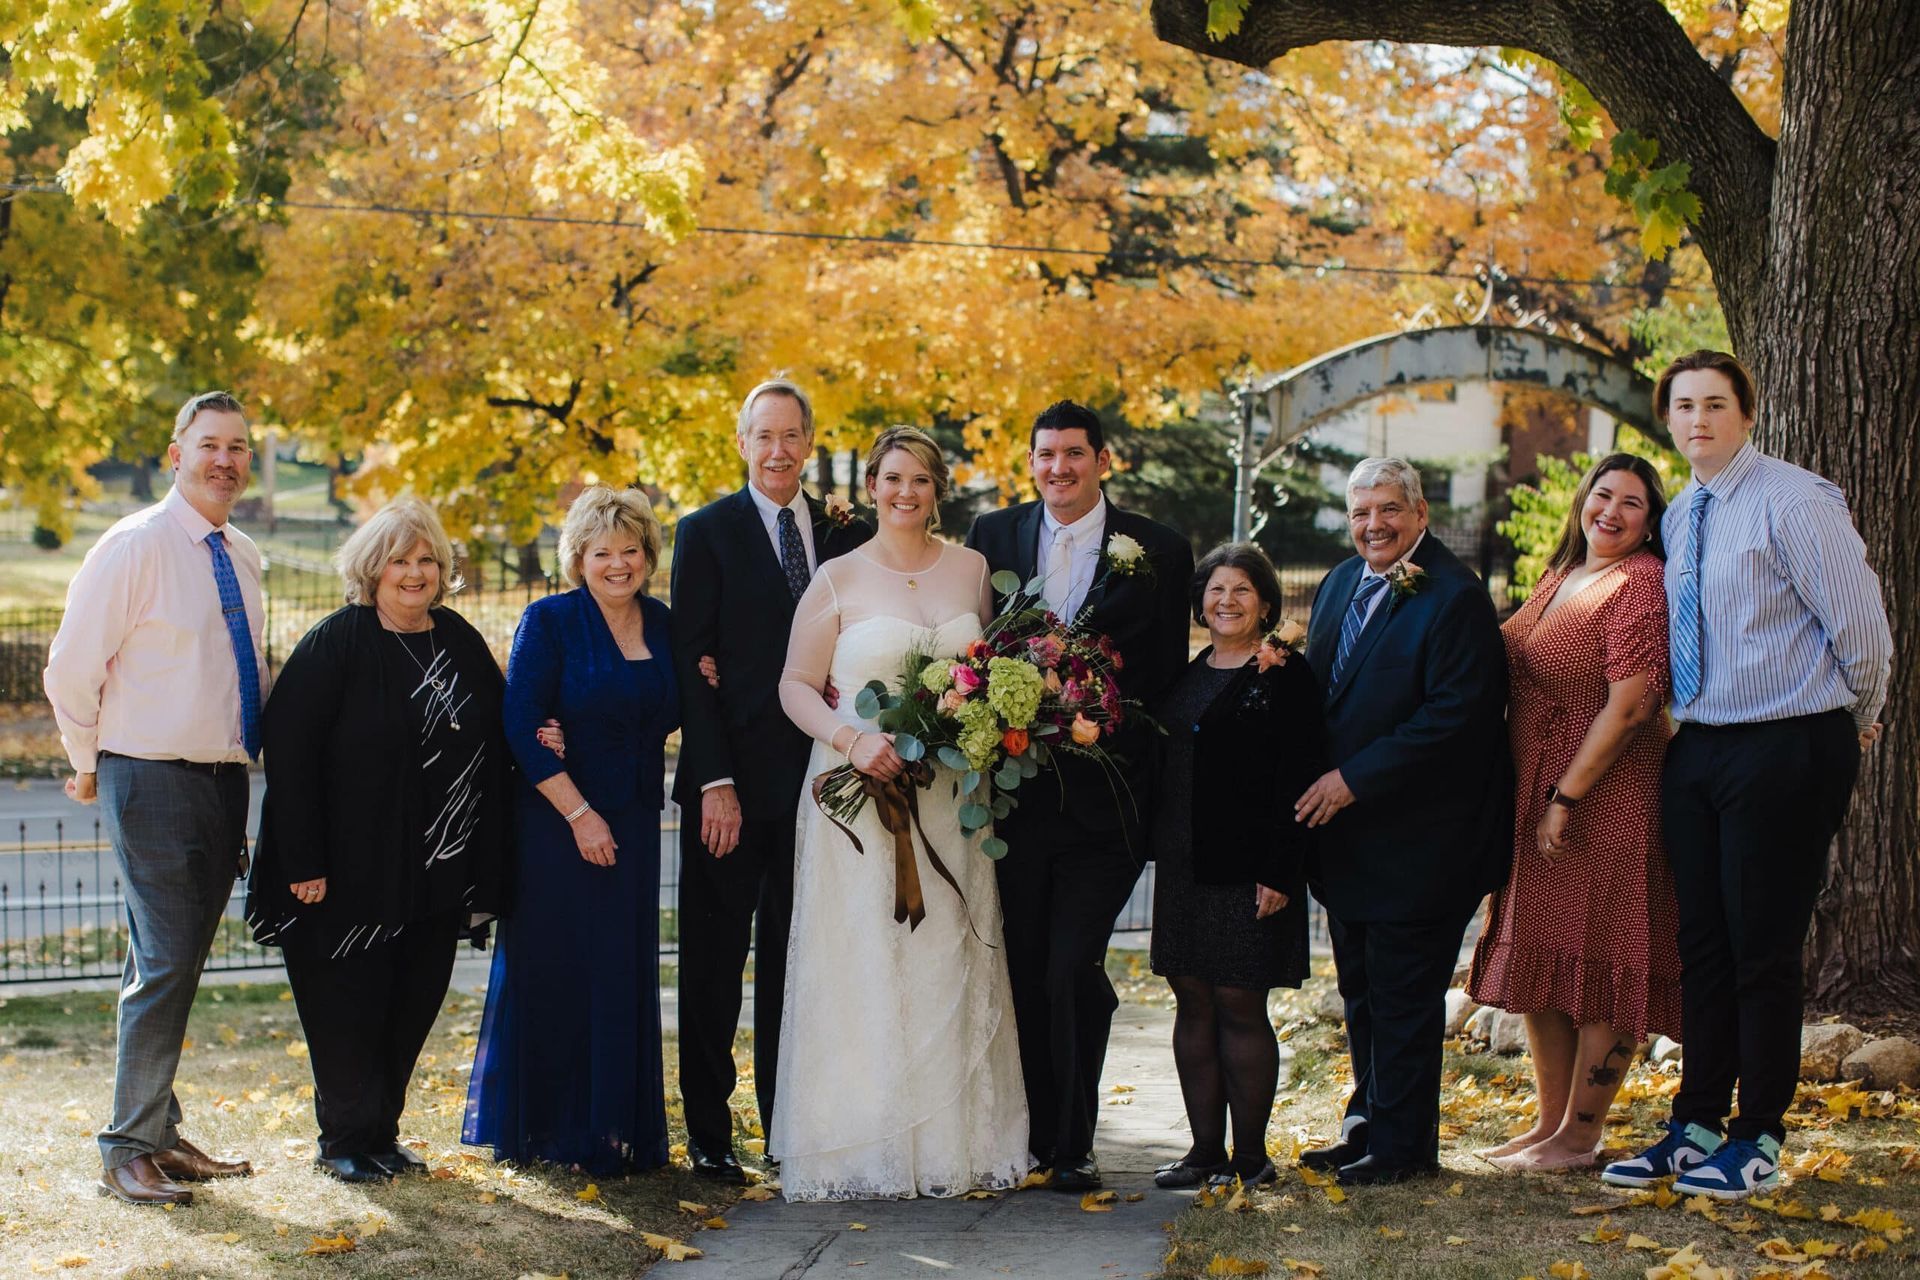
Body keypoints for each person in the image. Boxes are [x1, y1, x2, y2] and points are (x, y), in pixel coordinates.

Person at [1603, 351, 1891, 1200]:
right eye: (1684, 406)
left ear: (1747, 414)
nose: (1699, 419)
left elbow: (1863, 628)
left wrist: (1853, 716)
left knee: (1763, 948)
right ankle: (1694, 1125)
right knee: (1705, 947)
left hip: (1787, 739)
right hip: (1702, 743)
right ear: (1668, 419)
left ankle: (1757, 1136)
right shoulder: (1684, 511)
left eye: (1716, 404)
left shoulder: (1793, 500)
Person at [773, 426, 1029, 1200]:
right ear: (874, 486)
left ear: (937, 489)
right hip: (858, 801)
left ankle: (952, 1140)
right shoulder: (836, 578)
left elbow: (984, 677)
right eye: (891, 478)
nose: (905, 492)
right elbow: (793, 685)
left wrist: (972, 733)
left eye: (919, 479)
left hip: (951, 800)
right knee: (864, 957)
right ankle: (860, 1140)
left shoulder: (974, 570)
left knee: (947, 949)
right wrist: (853, 741)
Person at [965, 399, 1194, 1192]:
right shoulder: (992, 539)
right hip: (1018, 802)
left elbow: (1165, 678)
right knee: (1028, 967)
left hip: (1110, 802)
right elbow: (970, 647)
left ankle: (1076, 1142)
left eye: (1073, 454)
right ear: (1030, 463)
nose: (1058, 468)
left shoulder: (1159, 549)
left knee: (1071, 967)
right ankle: (1037, 1136)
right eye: (1045, 455)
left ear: (1103, 459)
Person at [247, 497, 511, 1183]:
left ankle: (381, 1134)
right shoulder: (338, 641)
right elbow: (290, 751)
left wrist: (547, 733)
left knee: (410, 1003)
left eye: (427, 559)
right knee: (346, 1008)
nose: (416, 573)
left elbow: (500, 727)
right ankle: (342, 1141)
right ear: (373, 568)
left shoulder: (457, 640)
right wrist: (302, 861)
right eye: (400, 559)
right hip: (343, 870)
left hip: (435, 871)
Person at [44, 390, 263, 1206]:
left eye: (239, 447)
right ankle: (126, 1147)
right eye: (210, 444)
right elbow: (70, 665)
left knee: (168, 962)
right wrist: (87, 758)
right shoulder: (133, 545)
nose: (225, 460)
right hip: (150, 775)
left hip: (222, 779)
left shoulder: (241, 552)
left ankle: (160, 1135)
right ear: (177, 453)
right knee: (167, 962)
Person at [667, 379, 872, 1182]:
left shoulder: (844, 531)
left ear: (810, 441)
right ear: (742, 442)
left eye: (792, 436)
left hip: (824, 783)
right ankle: (712, 1134)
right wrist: (713, 779)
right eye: (764, 436)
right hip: (733, 786)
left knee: (801, 960)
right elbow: (693, 662)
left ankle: (791, 1125)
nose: (779, 450)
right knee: (715, 962)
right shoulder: (705, 533)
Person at [1296, 457, 1510, 1187]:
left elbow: (1456, 717)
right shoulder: (1335, 585)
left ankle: (1405, 1147)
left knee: (1405, 998)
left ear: (1420, 514)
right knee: (1362, 990)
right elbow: (1323, 693)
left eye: (1389, 510)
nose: (1373, 526)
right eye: (1360, 513)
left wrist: (1355, 779)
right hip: (1348, 843)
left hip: (1423, 842)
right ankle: (1368, 1126)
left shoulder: (1454, 597)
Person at [1466, 455, 1682, 1173]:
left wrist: (1568, 797)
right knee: (1545, 958)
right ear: (1582, 499)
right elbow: (1497, 651)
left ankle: (1582, 1135)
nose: (1612, 512)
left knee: (1605, 956)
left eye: (1633, 504)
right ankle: (1550, 1125)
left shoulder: (1639, 584)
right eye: (1603, 495)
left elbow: (1632, 704)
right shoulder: (1565, 576)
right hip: (1539, 790)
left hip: (1606, 796)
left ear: (1651, 522)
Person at [464, 487, 680, 1174]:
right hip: (561, 824)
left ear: (647, 555)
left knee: (619, 970)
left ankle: (615, 1130)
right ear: (579, 559)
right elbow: (521, 725)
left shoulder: (664, 624)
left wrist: (703, 676)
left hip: (637, 821)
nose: (618, 565)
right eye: (602, 553)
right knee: (557, 970)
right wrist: (580, 814)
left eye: (630, 551)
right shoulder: (549, 621)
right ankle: (550, 1132)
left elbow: (674, 708)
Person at [1149, 544, 1322, 1191]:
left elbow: (1297, 777)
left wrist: (1281, 870)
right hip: (1184, 867)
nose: (1227, 602)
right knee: (1190, 999)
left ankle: (1250, 1159)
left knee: (1239, 1003)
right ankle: (1202, 1153)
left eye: (1241, 591)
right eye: (1217, 591)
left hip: (1252, 870)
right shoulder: (1187, 673)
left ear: (1267, 604)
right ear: (1201, 603)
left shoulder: (1284, 675)